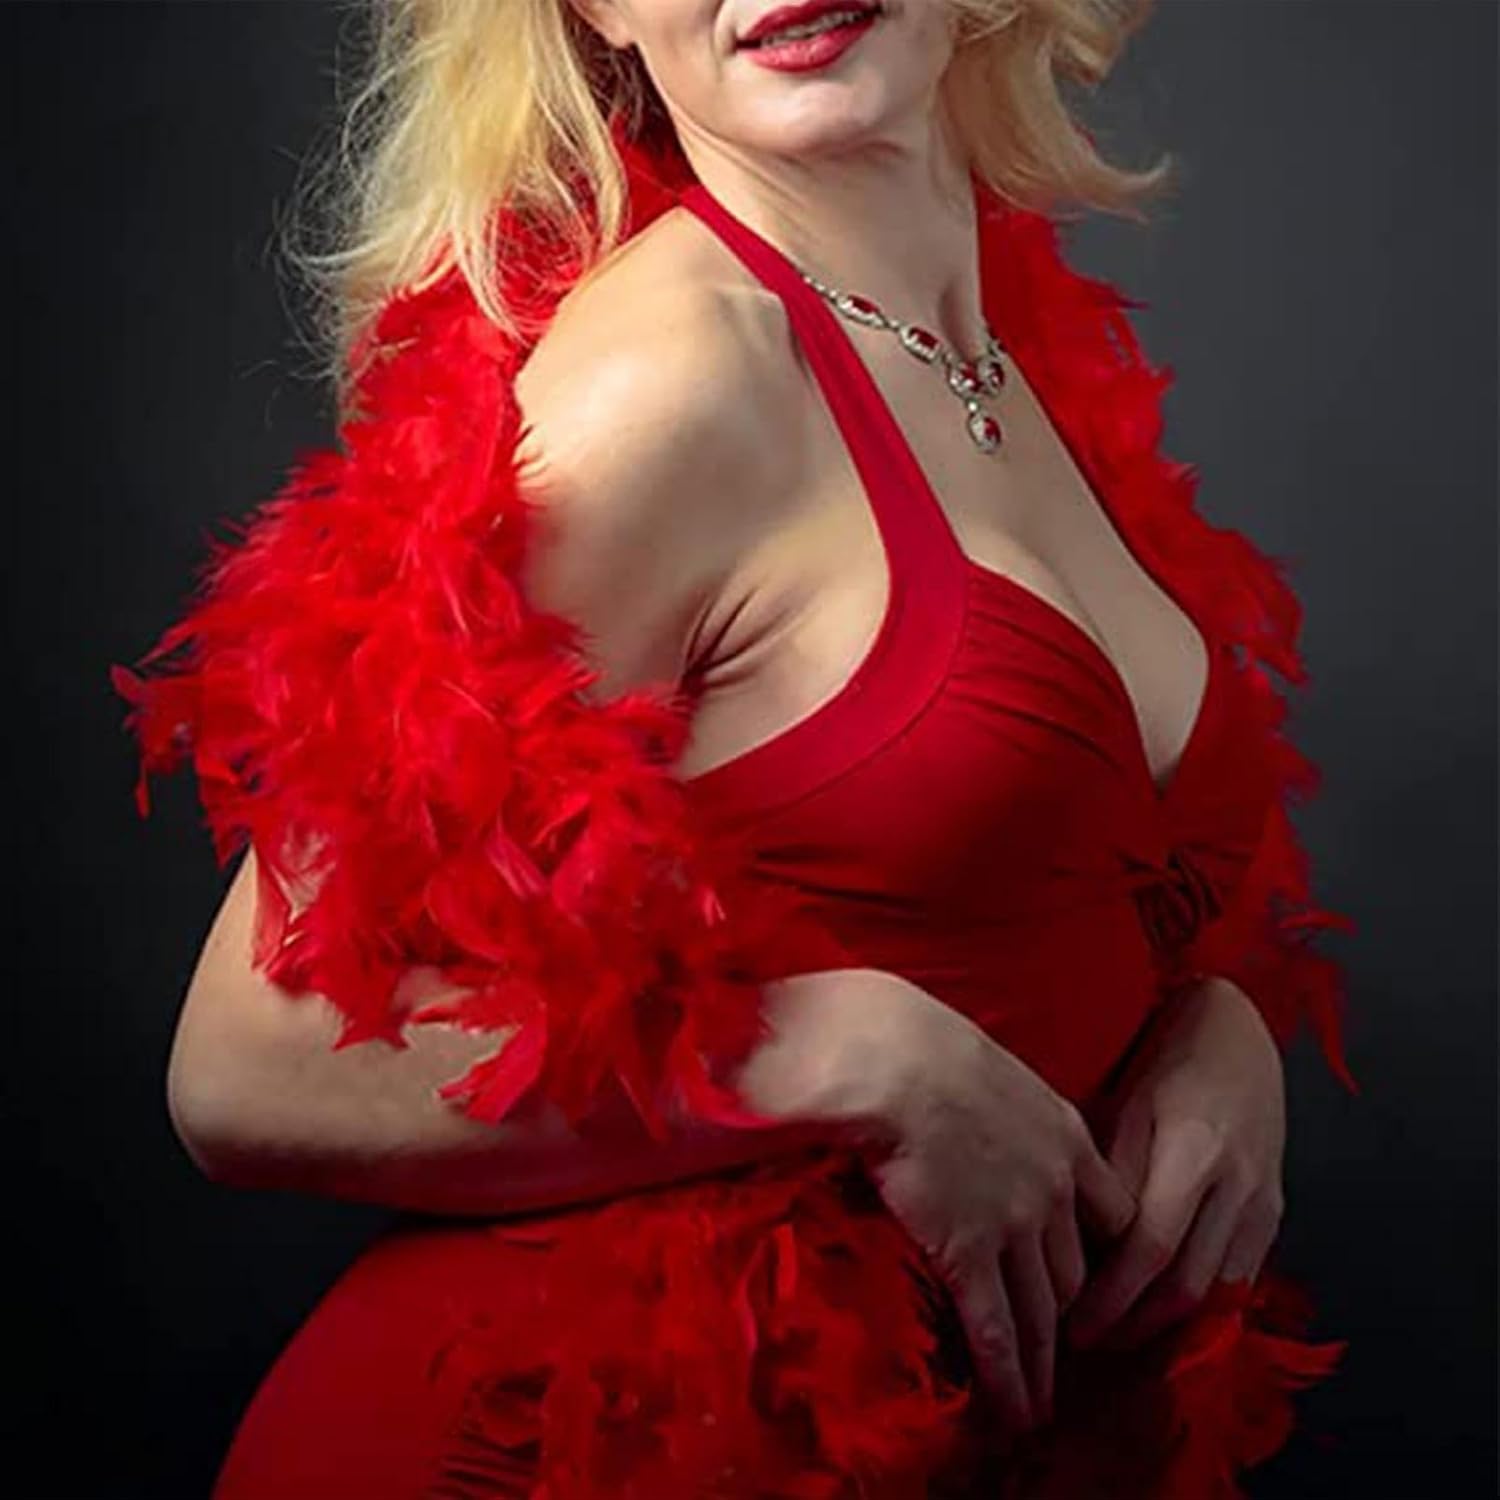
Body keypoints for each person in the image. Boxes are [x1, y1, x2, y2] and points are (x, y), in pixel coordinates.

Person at [111, 0, 1358, 1494]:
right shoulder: (673, 379)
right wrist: (840, 1055)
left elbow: (1051, 882)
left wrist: (1210, 1026)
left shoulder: (998, 350)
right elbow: (245, 1064)